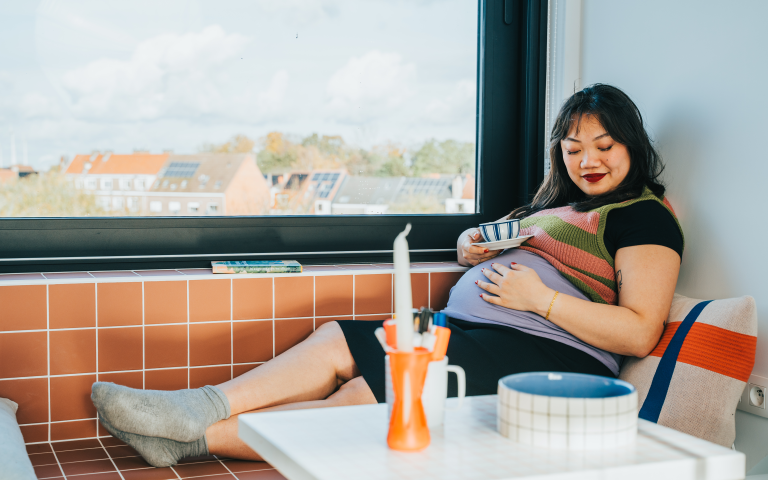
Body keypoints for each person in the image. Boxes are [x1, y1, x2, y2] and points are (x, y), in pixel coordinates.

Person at [91, 84, 683, 467]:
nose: (587, 161)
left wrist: (539, 300)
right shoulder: (551, 208)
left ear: (631, 145)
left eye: (604, 146)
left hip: (544, 355)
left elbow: (637, 332)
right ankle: (198, 409)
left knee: (364, 396)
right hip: (477, 333)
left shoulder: (644, 217)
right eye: (574, 148)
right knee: (339, 341)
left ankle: (189, 438)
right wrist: (469, 246)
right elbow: (477, 244)